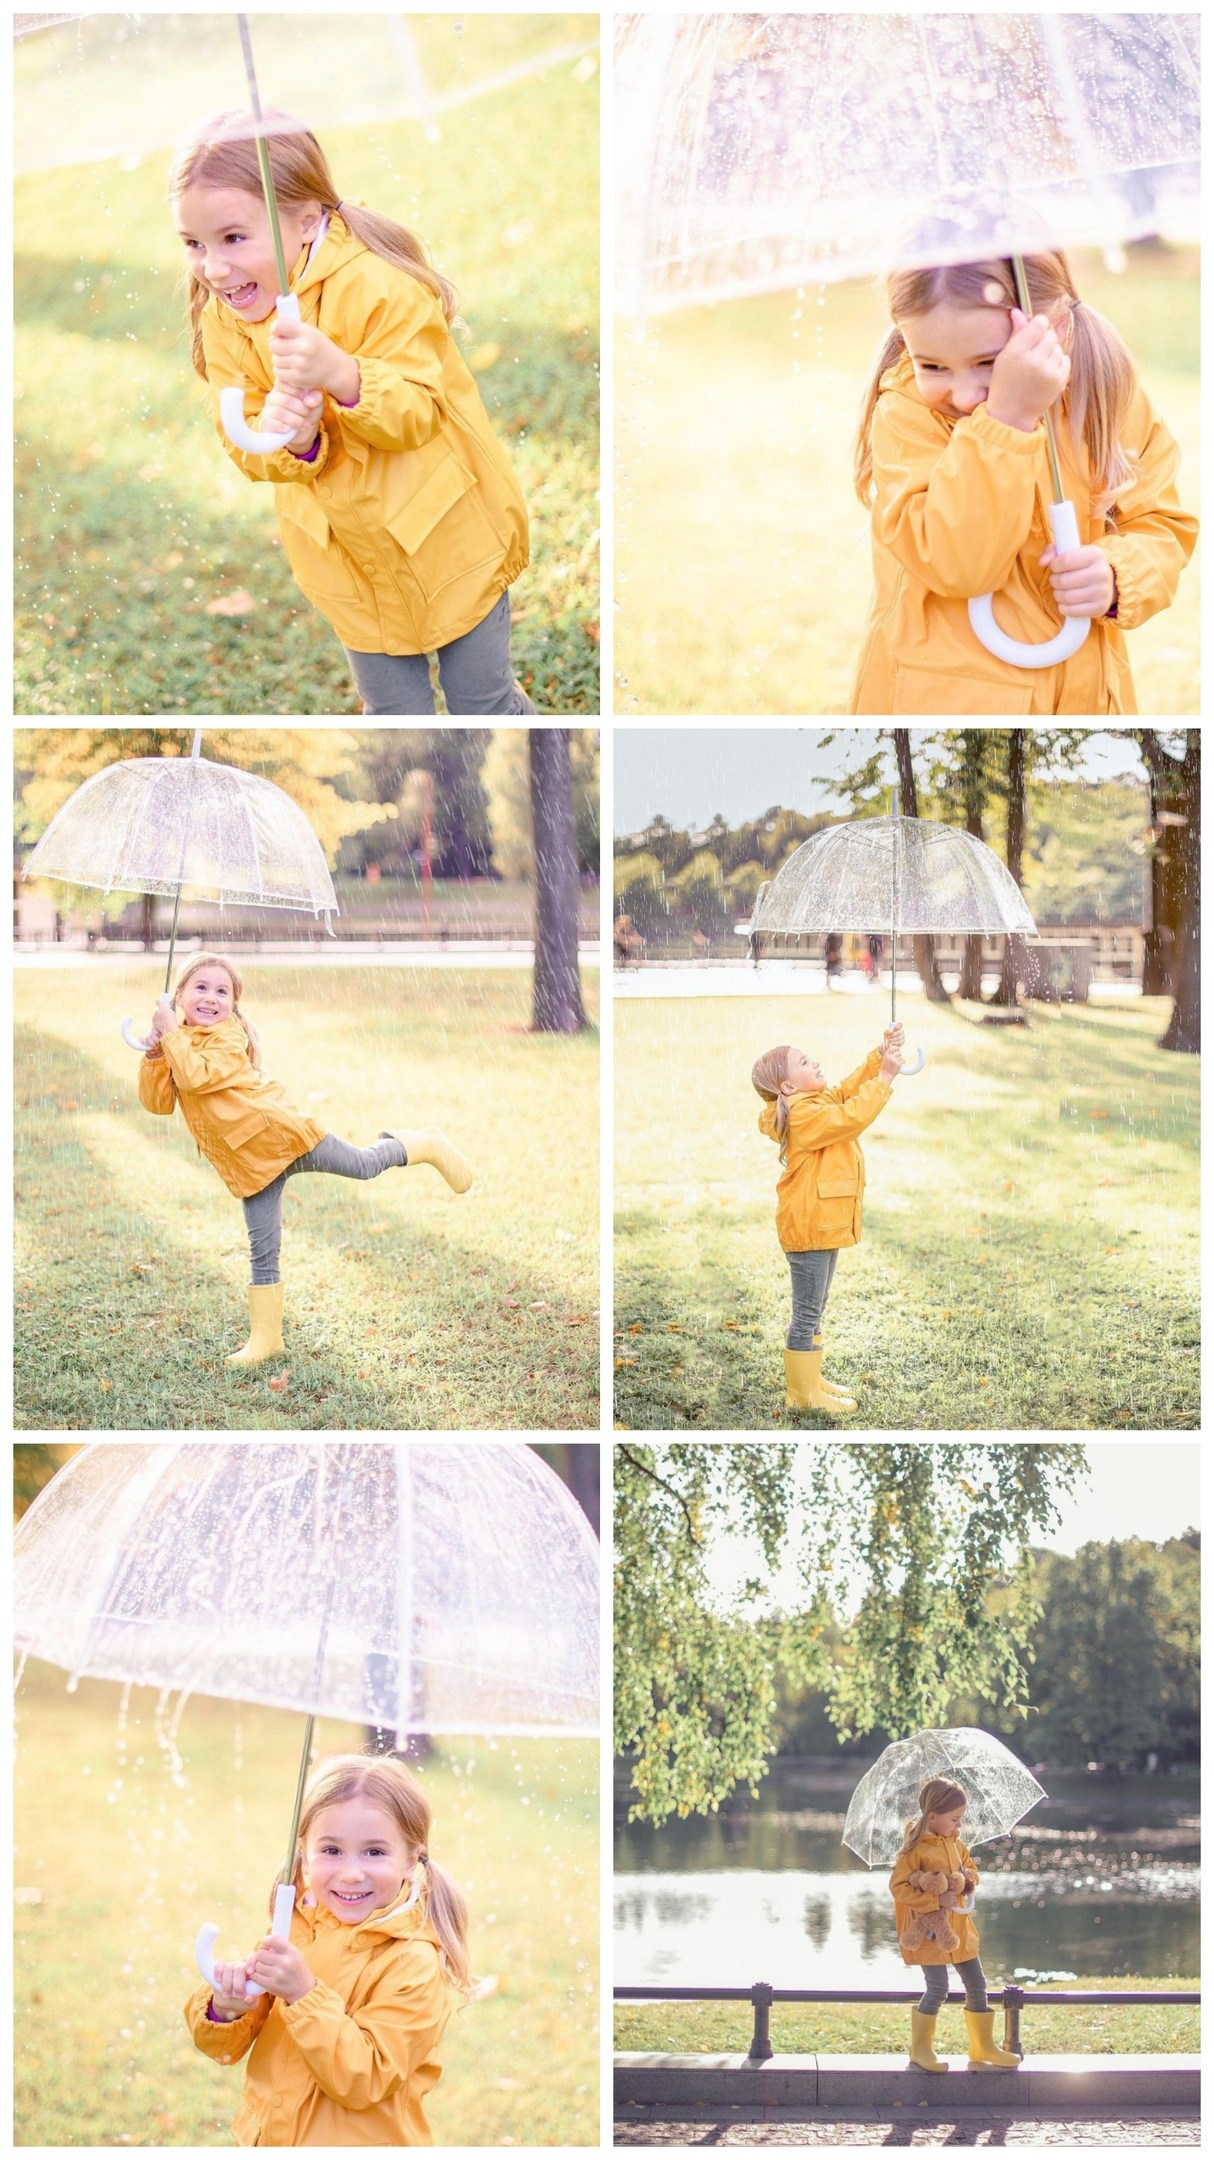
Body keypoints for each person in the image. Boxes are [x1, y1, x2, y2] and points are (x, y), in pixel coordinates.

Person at [169, 110, 536, 716]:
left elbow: (418, 410)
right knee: (396, 722)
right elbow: (242, 437)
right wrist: (293, 437)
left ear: (306, 220)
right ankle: (423, 809)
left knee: (484, 705)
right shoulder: (224, 319)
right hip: (349, 568)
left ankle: (534, 791)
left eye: (233, 238)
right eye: (193, 244)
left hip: (448, 540)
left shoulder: (378, 286)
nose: (213, 267)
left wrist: (343, 375)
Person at [850, 242, 1198, 714]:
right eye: (930, 364)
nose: (964, 394)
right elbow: (959, 563)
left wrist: (1118, 574)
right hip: (952, 708)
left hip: (1084, 704)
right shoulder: (909, 415)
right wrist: (1005, 423)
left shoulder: (1103, 395)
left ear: (1056, 325)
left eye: (989, 363)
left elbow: (1160, 523)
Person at [137, 952, 471, 1366]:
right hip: (249, 1164)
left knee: (363, 1165)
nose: (211, 998)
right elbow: (158, 1103)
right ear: (179, 995)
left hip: (282, 1136)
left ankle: (425, 1143)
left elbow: (197, 1077)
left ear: (234, 1003)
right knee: (263, 1248)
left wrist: (171, 1037)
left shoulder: (228, 1035)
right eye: (201, 988)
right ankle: (267, 1339)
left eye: (222, 991)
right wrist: (155, 1053)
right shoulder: (178, 1042)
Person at [185, 1751, 470, 2144]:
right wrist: (228, 2008)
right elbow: (223, 2048)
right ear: (303, 1853)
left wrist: (303, 1993)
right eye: (331, 1850)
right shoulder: (295, 1927)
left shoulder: (412, 1962)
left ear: (411, 1858)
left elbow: (365, 2077)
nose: (351, 1874)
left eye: (375, 1851)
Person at [750, 1025, 901, 1415]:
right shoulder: (803, 1117)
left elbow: (846, 1091)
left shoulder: (812, 1103)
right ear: (787, 1088)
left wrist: (876, 1057)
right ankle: (801, 1396)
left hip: (822, 1224)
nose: (814, 1062)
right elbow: (851, 1116)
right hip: (809, 1225)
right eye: (803, 1062)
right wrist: (884, 1078)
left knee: (816, 1307)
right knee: (806, 1314)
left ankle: (811, 1380)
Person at [890, 1776, 1020, 2074]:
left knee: (977, 1984)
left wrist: (966, 1880)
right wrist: (937, 1901)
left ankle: (982, 2046)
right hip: (929, 1932)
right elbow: (899, 1888)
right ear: (932, 1817)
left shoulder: (957, 1844)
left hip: (959, 1929)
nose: (959, 1826)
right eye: (955, 1819)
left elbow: (971, 1870)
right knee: (938, 1988)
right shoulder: (915, 1850)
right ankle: (920, 2048)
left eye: (961, 1819)